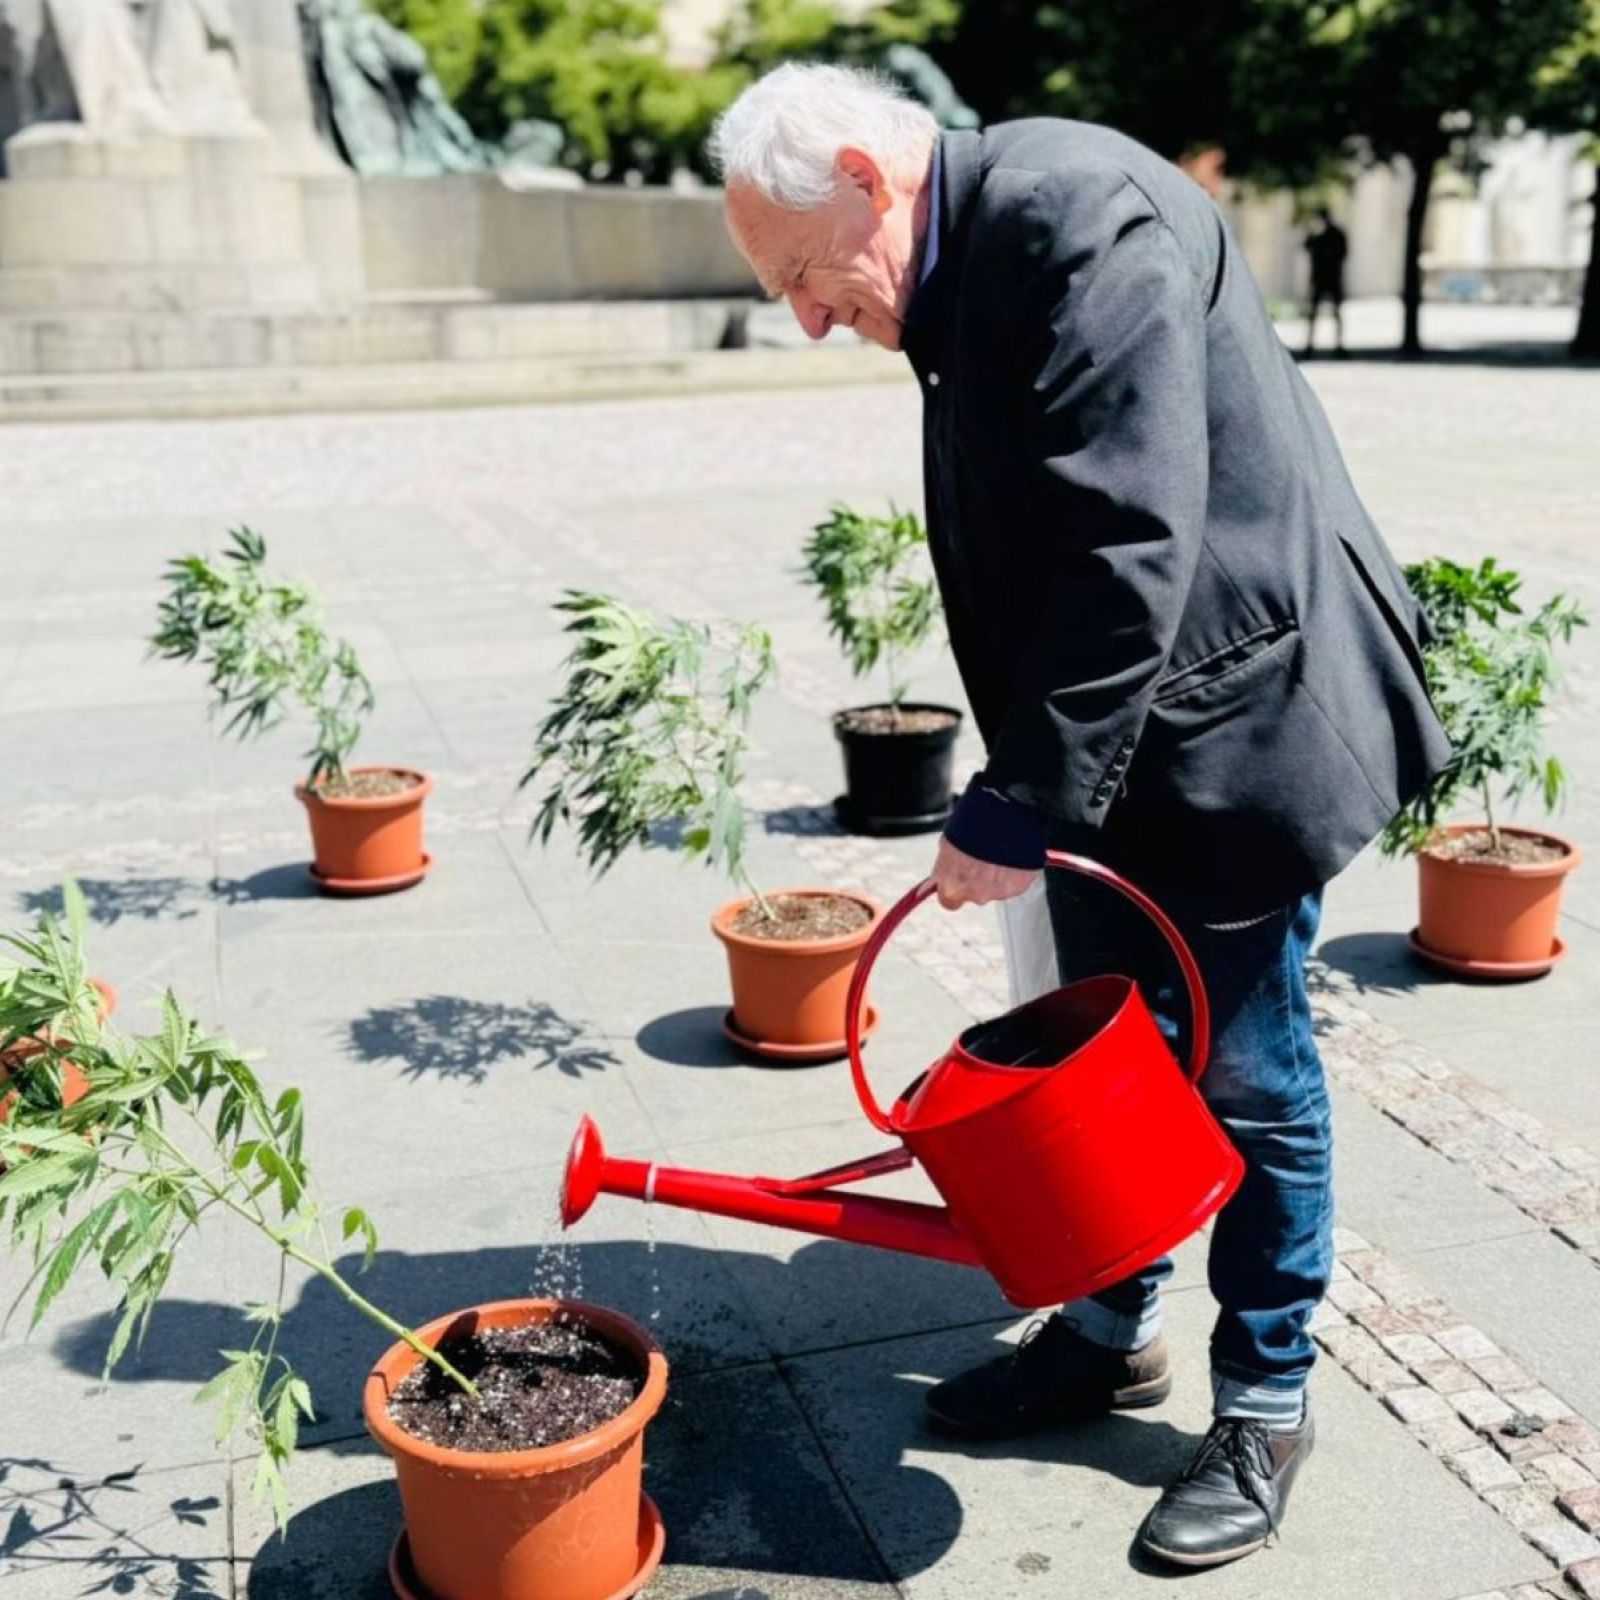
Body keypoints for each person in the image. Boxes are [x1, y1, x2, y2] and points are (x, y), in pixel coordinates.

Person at [710, 63, 1449, 1570]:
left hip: (1239, 722)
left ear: (867, 175)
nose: (804, 315)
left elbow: (1129, 539)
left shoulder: (1072, 216)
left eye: (801, 273)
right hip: (1129, 742)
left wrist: (1021, 797)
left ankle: (1269, 1399)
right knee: (1117, 1045)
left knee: (1246, 1065)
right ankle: (1114, 1327)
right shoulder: (965, 246)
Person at [1304, 207, 1349, 355]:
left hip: (1330, 277)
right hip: (1322, 278)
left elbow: (1342, 253)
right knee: (1317, 313)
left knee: (1335, 313)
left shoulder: (1334, 235)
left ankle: (1338, 345)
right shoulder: (1319, 235)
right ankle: (1311, 345)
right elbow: (1307, 246)